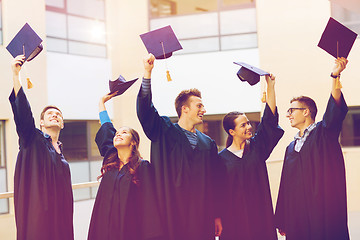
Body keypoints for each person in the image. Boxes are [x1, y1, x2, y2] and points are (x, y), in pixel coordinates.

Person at [136, 53, 223, 240]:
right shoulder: (164, 131)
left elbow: (215, 183)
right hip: (169, 213)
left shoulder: (208, 144)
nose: (204, 110)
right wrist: (147, 73)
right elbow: (145, 111)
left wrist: (216, 215)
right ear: (185, 109)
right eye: (199, 106)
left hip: (201, 216)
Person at [275, 57, 350, 240]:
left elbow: (334, 108)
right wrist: (283, 218)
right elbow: (285, 184)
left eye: (292, 110)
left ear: (306, 112)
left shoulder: (324, 134)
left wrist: (335, 75)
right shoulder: (291, 147)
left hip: (323, 215)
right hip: (298, 218)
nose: (288, 114)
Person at [9, 55, 74, 240]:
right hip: (39, 219)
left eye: (58, 115)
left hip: (60, 218)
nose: (55, 116)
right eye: (50, 114)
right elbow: (23, 115)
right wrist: (16, 75)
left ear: (62, 124)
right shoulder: (32, 139)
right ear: (41, 123)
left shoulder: (61, 151)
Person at [88, 92, 163, 240]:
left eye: (124, 132)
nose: (118, 134)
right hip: (104, 229)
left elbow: (149, 206)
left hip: (130, 230)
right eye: (117, 133)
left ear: (133, 142)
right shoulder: (110, 163)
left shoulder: (142, 167)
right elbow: (107, 128)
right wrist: (101, 103)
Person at [219, 74, 284, 240]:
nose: (249, 127)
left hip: (260, 217)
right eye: (243, 125)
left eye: (248, 122)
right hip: (234, 221)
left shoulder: (257, 147)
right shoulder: (221, 159)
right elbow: (216, 192)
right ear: (231, 132)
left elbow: (269, 121)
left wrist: (270, 87)